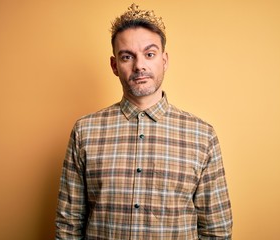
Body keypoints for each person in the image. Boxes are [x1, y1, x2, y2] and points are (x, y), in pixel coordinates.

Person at [56, 3, 232, 239]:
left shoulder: (202, 135)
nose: (139, 65)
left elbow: (217, 230)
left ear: (164, 60)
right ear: (114, 65)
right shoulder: (84, 131)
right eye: (127, 56)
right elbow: (68, 224)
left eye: (149, 54)